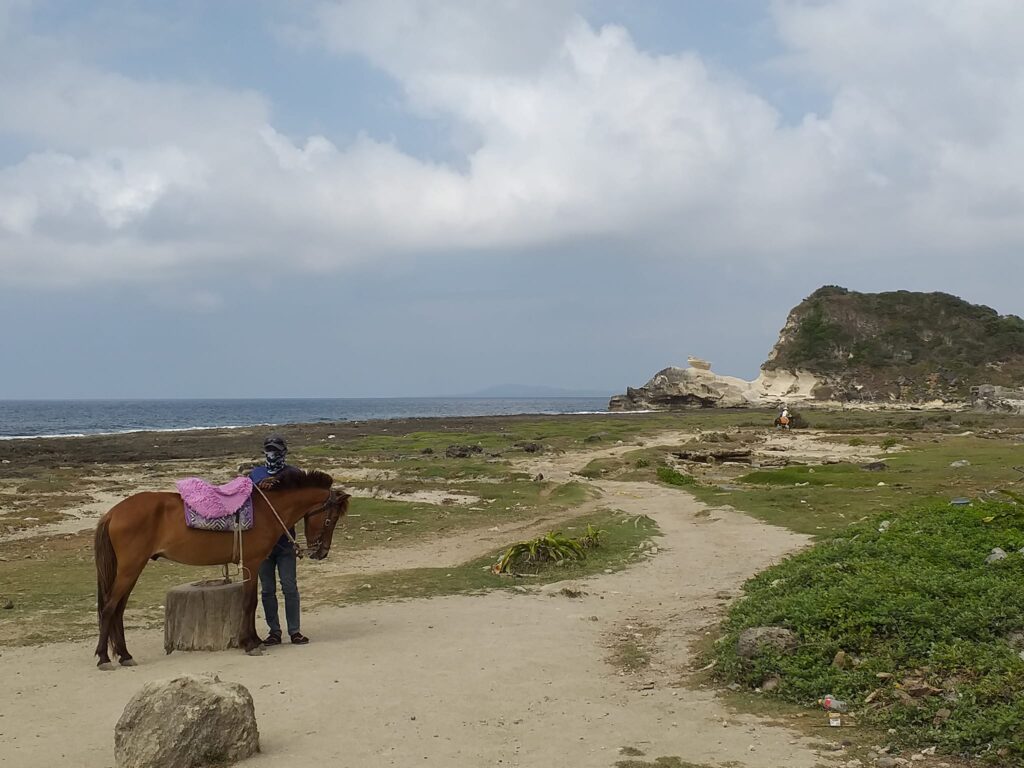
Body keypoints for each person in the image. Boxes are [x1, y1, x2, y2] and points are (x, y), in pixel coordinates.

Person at [249, 434, 309, 646]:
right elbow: (248, 502)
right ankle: (274, 631)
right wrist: (258, 487)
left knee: (289, 587)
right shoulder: (255, 474)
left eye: (275, 450)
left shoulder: (294, 474)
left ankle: (295, 631)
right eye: (268, 450)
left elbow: (301, 503)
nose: (272, 454)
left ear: (284, 452)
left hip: (285, 542)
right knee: (267, 590)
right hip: (263, 545)